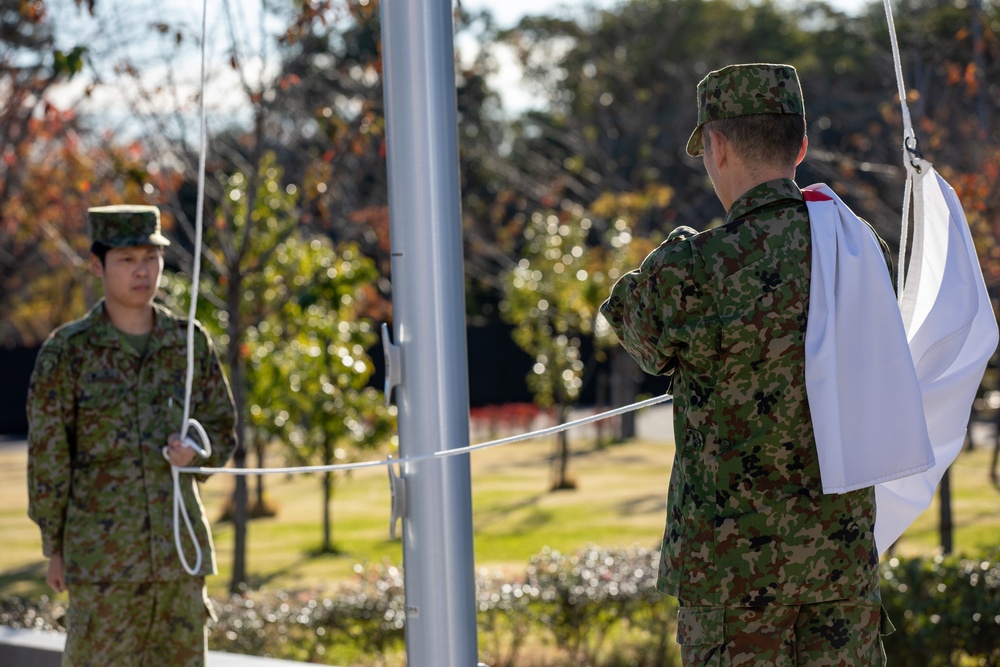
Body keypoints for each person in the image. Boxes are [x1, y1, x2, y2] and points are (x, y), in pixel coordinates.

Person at [601, 64, 893, 665]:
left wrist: (677, 245)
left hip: (733, 584)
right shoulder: (862, 252)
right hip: (839, 573)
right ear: (802, 144)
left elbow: (629, 317)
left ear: (717, 145)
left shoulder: (699, 267)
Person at [27, 205, 238, 667]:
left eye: (152, 257)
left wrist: (197, 453)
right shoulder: (68, 353)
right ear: (98, 265)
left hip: (179, 559)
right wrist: (55, 547)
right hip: (103, 566)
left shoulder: (187, 343)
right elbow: (49, 458)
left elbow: (222, 426)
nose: (143, 270)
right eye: (127, 260)